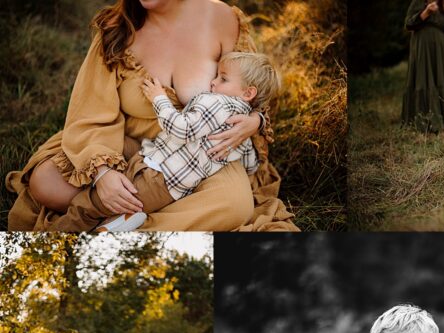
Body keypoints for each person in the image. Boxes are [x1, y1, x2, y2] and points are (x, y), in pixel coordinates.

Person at [6, 0, 297, 232]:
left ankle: (122, 229)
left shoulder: (222, 18)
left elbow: (252, 89)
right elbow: (90, 110)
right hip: (126, 141)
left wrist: (255, 121)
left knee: (234, 206)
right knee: (45, 182)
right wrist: (102, 174)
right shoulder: (118, 30)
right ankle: (142, 210)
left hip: (205, 154)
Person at [44, 51, 278, 233]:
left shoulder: (214, 102)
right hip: (169, 184)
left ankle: (59, 236)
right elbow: (250, 163)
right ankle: (122, 219)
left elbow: (181, 129)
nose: (213, 83)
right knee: (111, 198)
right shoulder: (240, 128)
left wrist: (160, 99)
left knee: (89, 206)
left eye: (223, 78)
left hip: (156, 174)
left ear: (248, 93)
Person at [401, 2, 444, 133]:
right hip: (423, 46)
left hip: (440, 50)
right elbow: (409, 24)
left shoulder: (443, 5)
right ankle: (423, 121)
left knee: (440, 80)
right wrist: (426, 12)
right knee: (423, 77)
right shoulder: (418, 2)